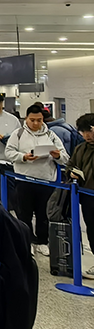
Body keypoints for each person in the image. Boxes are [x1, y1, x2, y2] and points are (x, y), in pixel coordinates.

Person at [5, 104, 68, 257]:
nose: (35, 123)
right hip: (24, 180)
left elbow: (65, 158)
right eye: (32, 120)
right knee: (24, 213)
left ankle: (42, 242)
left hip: (46, 181)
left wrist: (57, 155)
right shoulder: (18, 134)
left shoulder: (51, 135)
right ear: (26, 119)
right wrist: (23, 157)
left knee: (43, 214)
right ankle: (27, 241)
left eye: (39, 120)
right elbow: (8, 152)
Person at [65, 114, 94, 279]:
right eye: (83, 132)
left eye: (89, 131)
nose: (87, 136)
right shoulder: (80, 149)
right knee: (92, 229)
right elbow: (70, 165)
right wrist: (71, 173)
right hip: (87, 197)